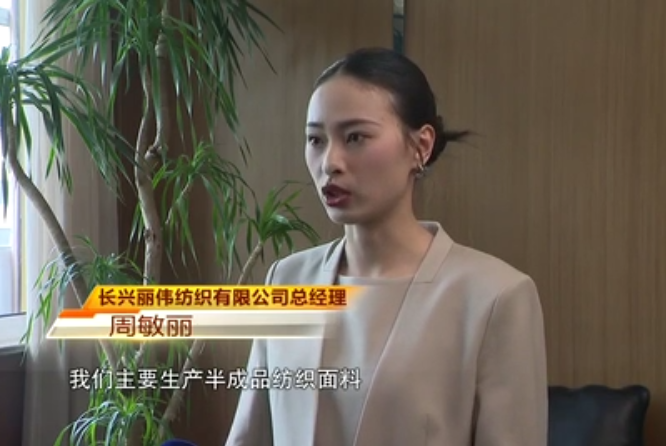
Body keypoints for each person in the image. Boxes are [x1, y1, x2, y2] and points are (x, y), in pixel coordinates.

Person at [225, 47, 548, 446]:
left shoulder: (494, 297)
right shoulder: (287, 279)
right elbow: (250, 436)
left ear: (421, 146)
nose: (330, 162)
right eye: (315, 139)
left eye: (355, 137)